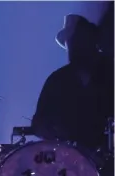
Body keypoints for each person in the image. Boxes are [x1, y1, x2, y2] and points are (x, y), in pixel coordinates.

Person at [31, 14, 114, 152]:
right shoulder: (57, 80)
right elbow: (38, 124)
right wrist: (49, 130)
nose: (73, 46)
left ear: (91, 39)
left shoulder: (111, 73)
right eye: (70, 42)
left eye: (77, 39)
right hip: (70, 163)